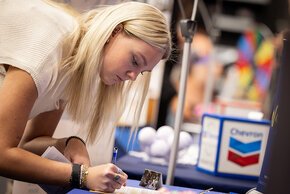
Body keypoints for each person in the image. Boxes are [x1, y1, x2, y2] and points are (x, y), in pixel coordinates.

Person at [0, 0, 171, 192]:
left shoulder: (73, 69)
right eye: (134, 61)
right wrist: (82, 176)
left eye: (141, 71)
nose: (132, 77)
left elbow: (29, 144)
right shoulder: (54, 44)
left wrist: (68, 143)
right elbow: (2, 154)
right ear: (115, 32)